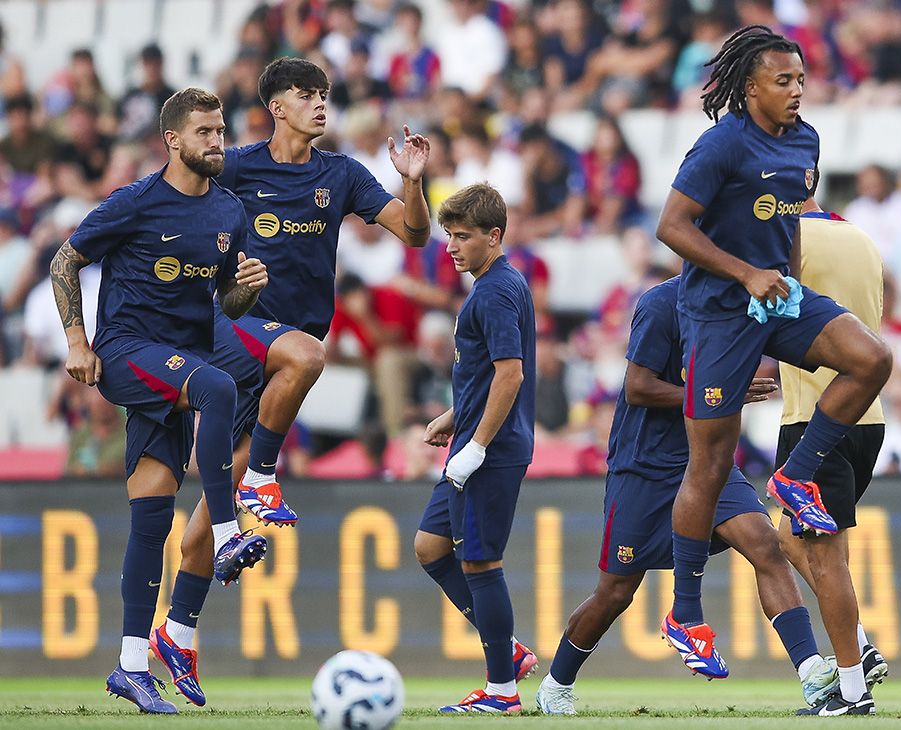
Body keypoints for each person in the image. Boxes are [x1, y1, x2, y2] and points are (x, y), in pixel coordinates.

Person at [166, 55, 436, 697]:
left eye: (325, 93)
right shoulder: (234, 167)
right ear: (275, 106)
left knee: (208, 518)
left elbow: (416, 236)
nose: (320, 102)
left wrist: (414, 184)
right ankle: (264, 478)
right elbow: (175, 205)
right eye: (305, 93)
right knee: (309, 359)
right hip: (235, 332)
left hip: (283, 356)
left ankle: (175, 634)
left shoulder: (340, 174)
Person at [654, 25, 891, 697]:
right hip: (716, 314)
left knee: (871, 360)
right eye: (783, 82)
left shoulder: (807, 141)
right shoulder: (722, 144)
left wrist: (786, 282)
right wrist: (745, 275)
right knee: (711, 463)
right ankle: (687, 614)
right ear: (750, 86)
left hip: (778, 298)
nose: (796, 92)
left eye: (800, 81)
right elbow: (671, 225)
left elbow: (785, 221)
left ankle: (796, 477)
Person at [48, 88, 270, 713]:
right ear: (173, 140)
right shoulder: (137, 203)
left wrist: (245, 294)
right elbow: (66, 259)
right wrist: (77, 340)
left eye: (221, 130)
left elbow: (222, 302)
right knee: (220, 386)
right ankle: (227, 530)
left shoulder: (228, 214)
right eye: (204, 131)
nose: (217, 140)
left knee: (152, 514)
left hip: (177, 365)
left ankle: (130, 668)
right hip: (125, 352)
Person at [534, 278, 838, 715]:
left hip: (708, 458)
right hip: (645, 465)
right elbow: (638, 387)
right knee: (616, 592)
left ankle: (812, 674)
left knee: (766, 545)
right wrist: (715, 397)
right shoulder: (661, 304)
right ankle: (557, 683)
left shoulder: (743, 302)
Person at [412, 184, 537, 713]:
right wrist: (453, 417)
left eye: (463, 236)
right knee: (430, 547)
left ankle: (502, 690)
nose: (453, 247)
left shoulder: (494, 292)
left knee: (481, 564)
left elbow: (511, 374)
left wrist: (478, 444)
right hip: (473, 437)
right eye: (449, 236)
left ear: (495, 236)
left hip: (493, 447)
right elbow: (487, 376)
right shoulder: (496, 285)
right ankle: (506, 651)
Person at [775, 200, 890, 715]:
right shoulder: (863, 241)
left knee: (826, 556)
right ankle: (858, 643)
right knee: (787, 540)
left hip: (815, 415)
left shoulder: (784, 239)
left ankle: (850, 690)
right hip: (869, 418)